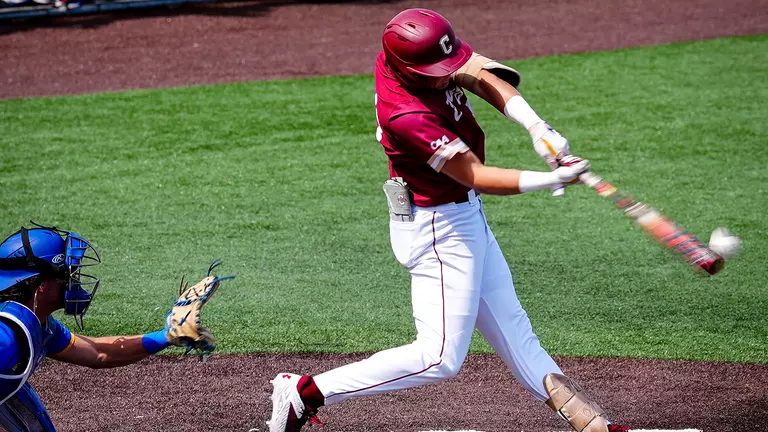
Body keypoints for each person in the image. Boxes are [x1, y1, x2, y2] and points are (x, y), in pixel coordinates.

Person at [267, 8, 627, 432]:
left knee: (515, 331)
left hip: (463, 217)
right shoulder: (407, 115)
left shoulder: (408, 58)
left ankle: (594, 425)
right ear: (410, 71)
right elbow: (476, 175)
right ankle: (305, 392)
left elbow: (479, 74)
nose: (447, 74)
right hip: (439, 230)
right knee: (438, 358)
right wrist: (551, 179)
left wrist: (537, 128)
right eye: (438, 72)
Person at [0, 223, 230, 431]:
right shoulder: (7, 337)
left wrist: (168, 336)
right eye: (67, 275)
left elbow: (99, 353)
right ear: (40, 284)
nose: (74, 281)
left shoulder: (39, 325)